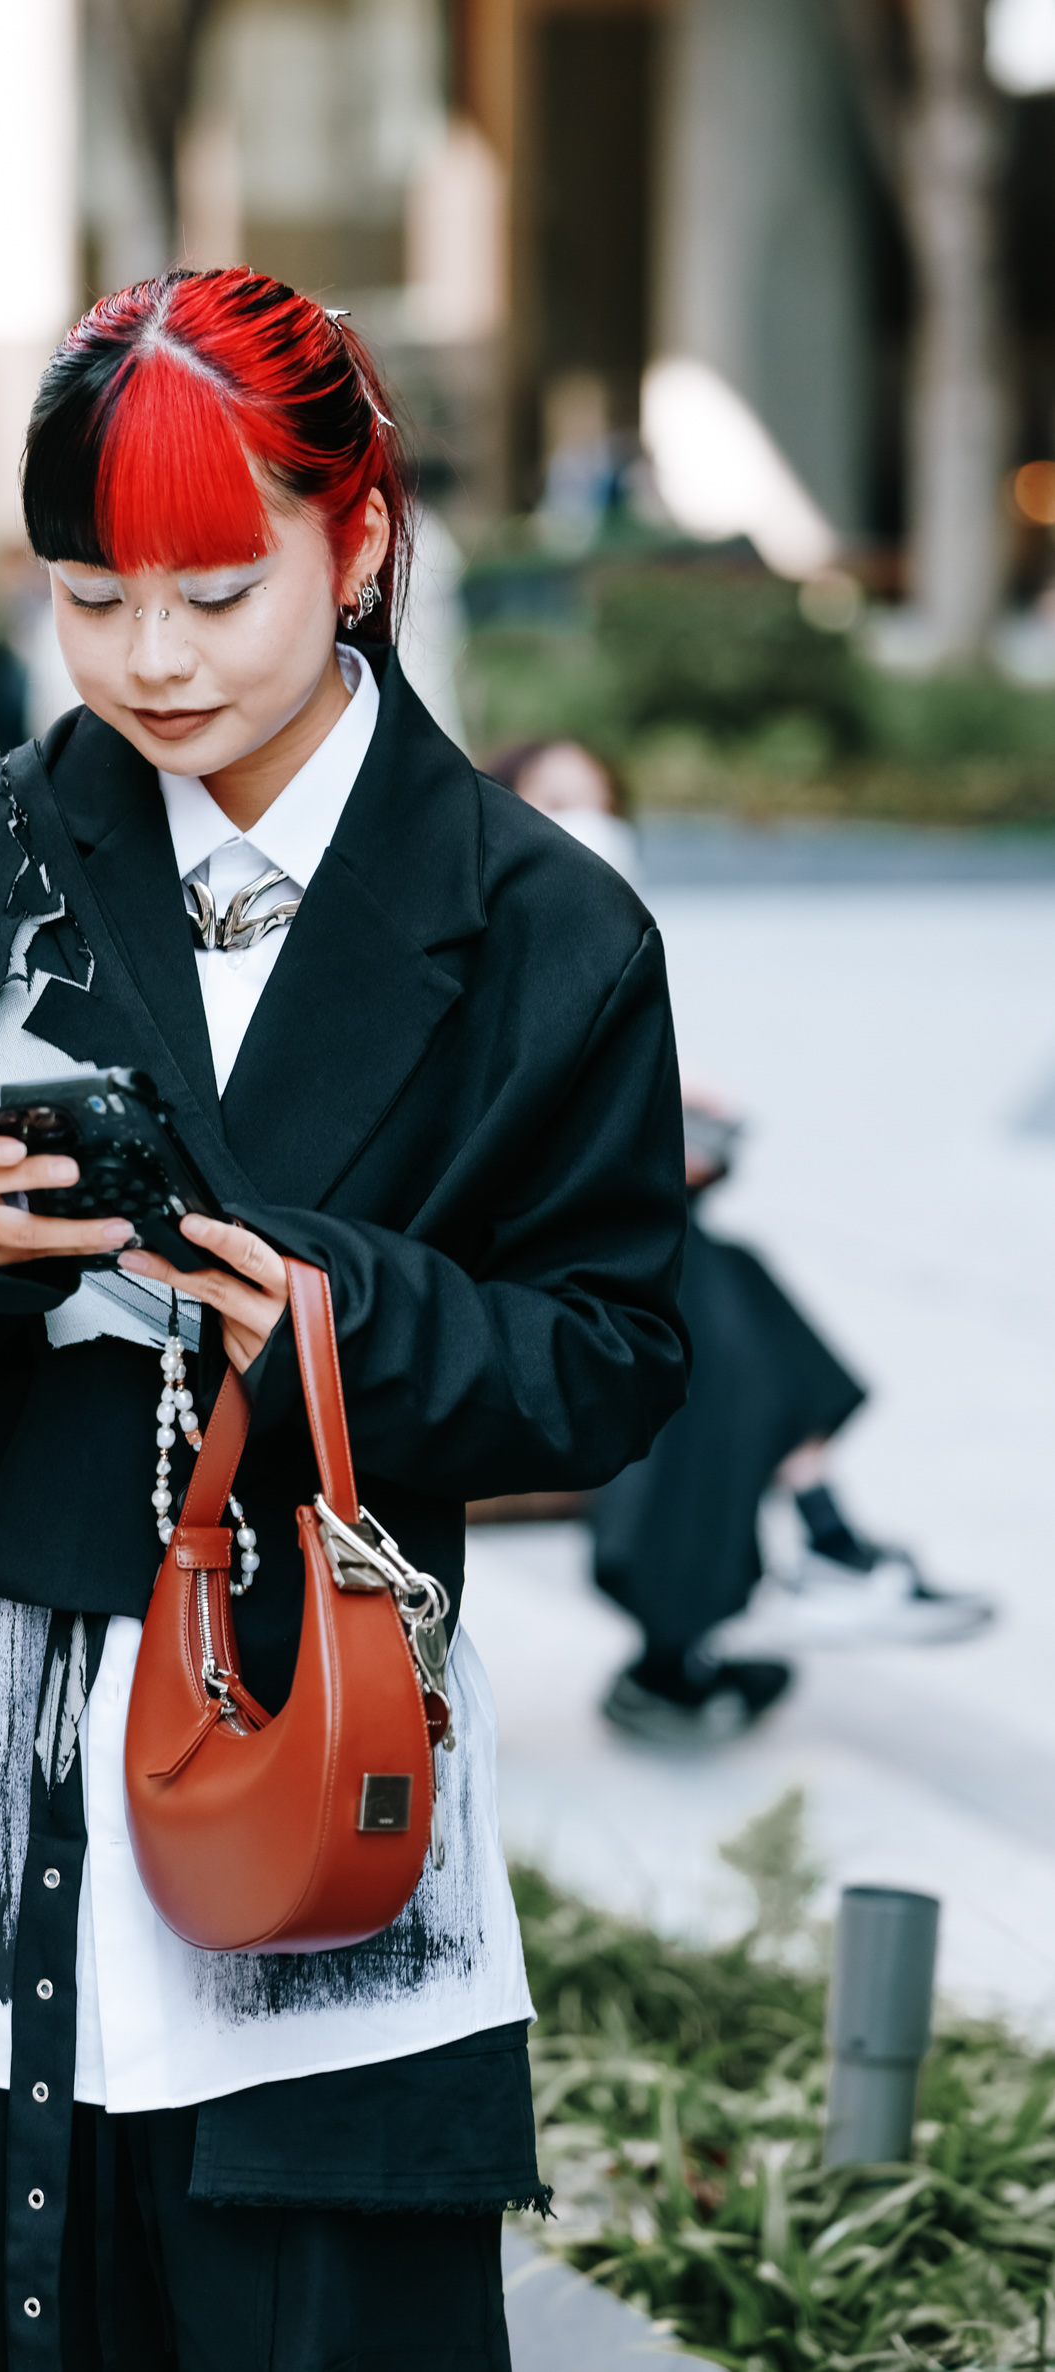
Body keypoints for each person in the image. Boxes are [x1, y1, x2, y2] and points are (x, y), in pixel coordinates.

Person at [0, 270, 690, 2371]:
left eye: (213, 590)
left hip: (325, 1781)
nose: (148, 659)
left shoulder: (541, 920)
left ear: (354, 545)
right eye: (90, 597)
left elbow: (613, 1350)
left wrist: (342, 1312)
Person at [491, 736, 993, 1749]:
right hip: (474, 1281)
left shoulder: (593, 943)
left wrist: (670, 1125)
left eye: (600, 803)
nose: (588, 825)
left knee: (703, 1296)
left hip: (556, 1261)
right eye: (553, 800)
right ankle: (789, 1568)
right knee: (697, 1297)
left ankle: (713, 1625)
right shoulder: (484, 935)